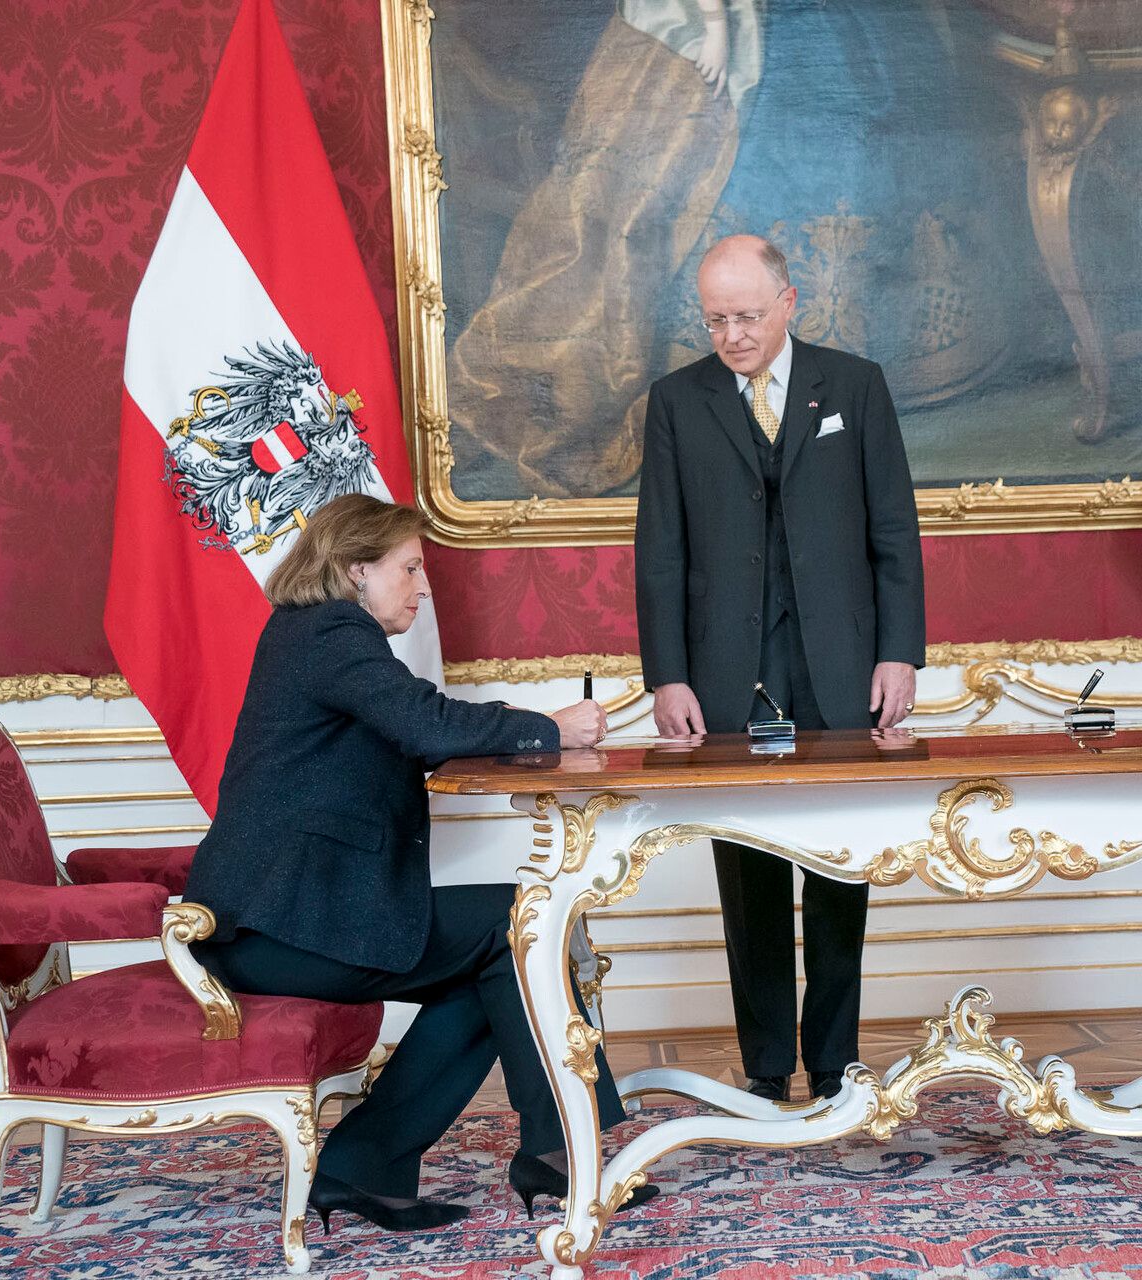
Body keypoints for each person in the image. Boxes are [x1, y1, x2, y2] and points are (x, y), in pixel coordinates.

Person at [183, 494, 654, 1231]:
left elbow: (417, 717)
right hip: (276, 930)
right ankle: (562, 1151)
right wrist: (549, 728)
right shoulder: (331, 630)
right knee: (519, 920)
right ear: (354, 570)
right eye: (409, 568)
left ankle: (364, 1167)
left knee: (502, 962)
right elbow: (425, 724)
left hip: (292, 915)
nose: (422, 586)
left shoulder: (316, 633)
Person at [634, 234, 926, 1102]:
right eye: (717, 319)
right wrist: (668, 675)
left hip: (841, 672)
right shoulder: (677, 402)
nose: (732, 335)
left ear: (790, 302)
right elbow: (661, 553)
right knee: (749, 880)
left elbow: (894, 533)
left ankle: (834, 1066)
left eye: (748, 316)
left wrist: (898, 653)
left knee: (841, 873)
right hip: (725, 676)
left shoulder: (857, 385)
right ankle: (766, 1070)